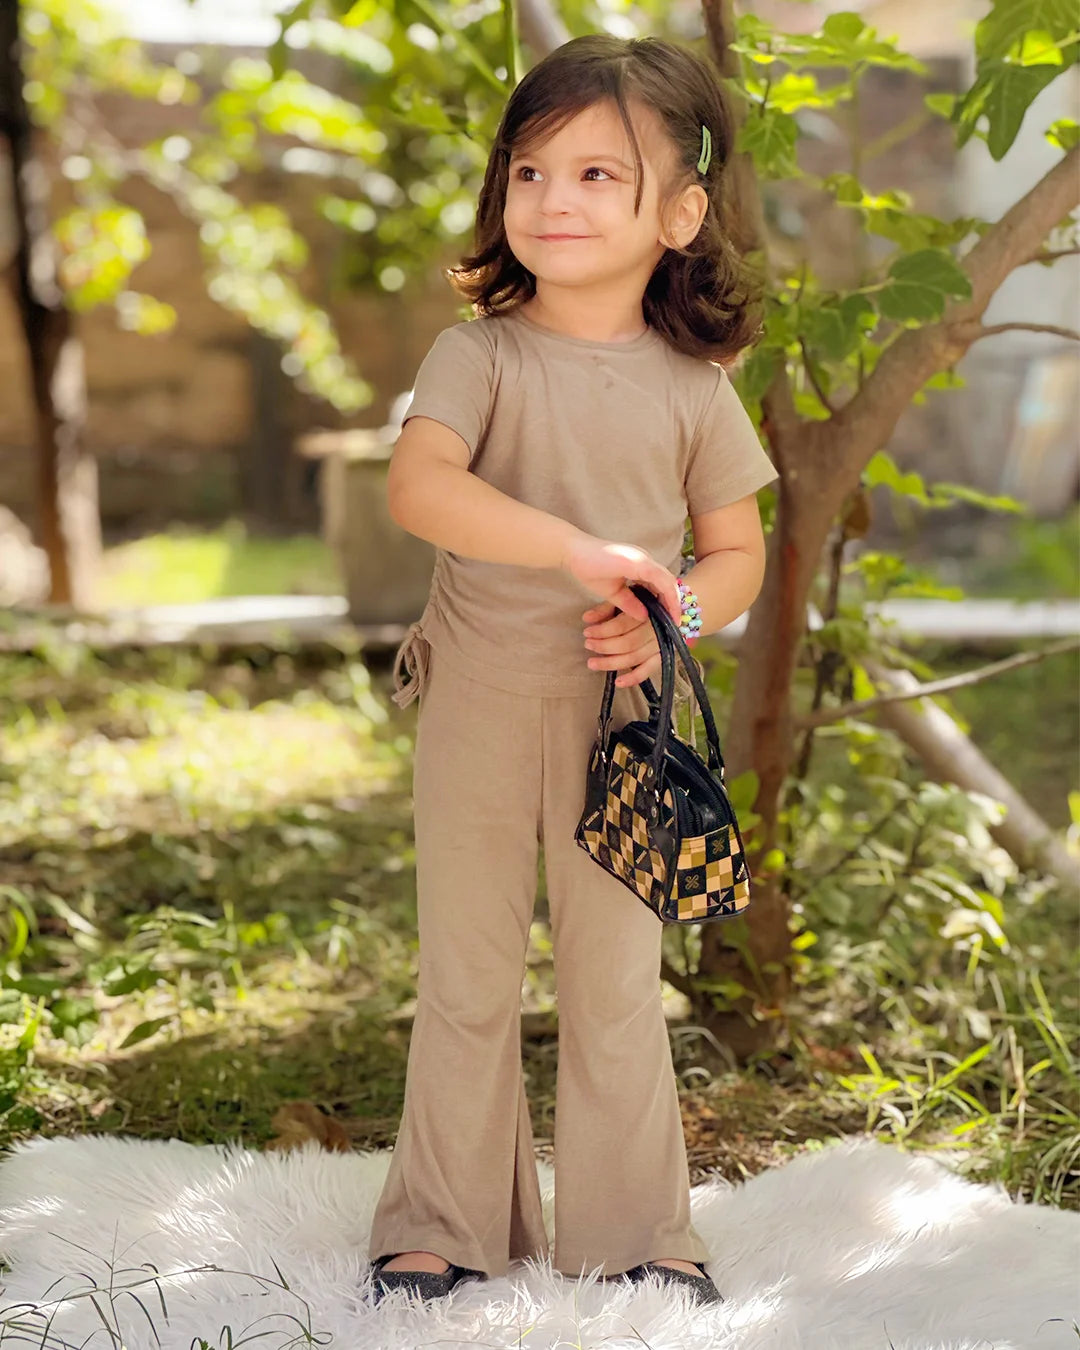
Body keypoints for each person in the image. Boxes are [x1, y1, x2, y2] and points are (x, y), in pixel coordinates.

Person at [365, 32, 778, 1310]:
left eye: (600, 175)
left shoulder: (695, 388)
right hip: (480, 703)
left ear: (680, 214)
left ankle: (637, 1227)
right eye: (531, 171)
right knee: (468, 973)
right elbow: (419, 488)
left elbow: (738, 554)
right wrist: (576, 550)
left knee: (614, 984)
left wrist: (673, 618)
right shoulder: (477, 356)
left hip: (629, 725)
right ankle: (442, 1219)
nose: (554, 199)